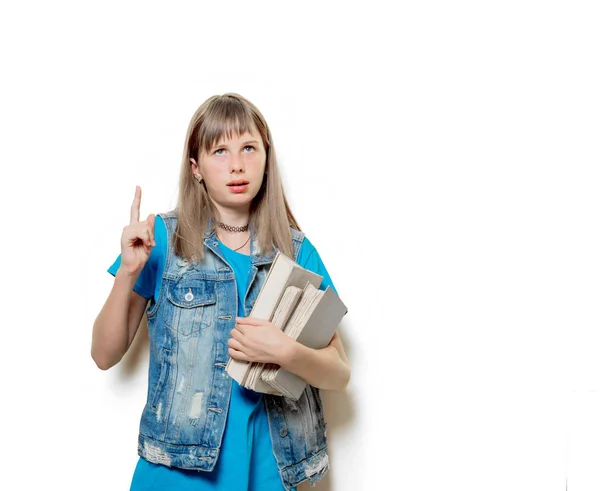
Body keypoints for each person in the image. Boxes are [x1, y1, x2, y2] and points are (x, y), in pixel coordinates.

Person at [91, 93, 351, 491]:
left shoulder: (298, 252)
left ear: (266, 155)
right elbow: (103, 355)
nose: (236, 164)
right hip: (176, 475)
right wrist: (127, 273)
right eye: (219, 151)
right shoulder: (162, 239)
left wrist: (285, 352)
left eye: (248, 147)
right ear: (195, 168)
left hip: (270, 476)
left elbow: (339, 372)